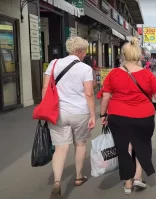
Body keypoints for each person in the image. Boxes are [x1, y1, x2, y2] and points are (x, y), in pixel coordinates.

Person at [99, 37, 156, 195]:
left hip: (118, 116)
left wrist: (103, 114)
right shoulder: (147, 75)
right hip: (144, 117)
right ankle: (137, 177)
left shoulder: (113, 74)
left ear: (123, 55)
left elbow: (106, 97)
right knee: (141, 145)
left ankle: (127, 183)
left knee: (124, 148)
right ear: (139, 56)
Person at [42, 36, 96, 199]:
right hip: (80, 112)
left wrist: (46, 109)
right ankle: (78, 177)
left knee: (60, 148)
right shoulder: (85, 69)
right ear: (79, 51)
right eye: (85, 50)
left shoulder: (54, 64)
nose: (85, 54)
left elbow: (45, 87)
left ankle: (57, 182)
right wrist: (93, 115)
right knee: (80, 144)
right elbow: (89, 93)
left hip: (58, 112)